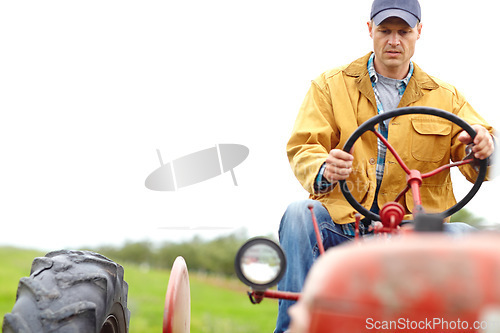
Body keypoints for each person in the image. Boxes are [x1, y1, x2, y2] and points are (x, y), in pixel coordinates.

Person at [275, 0, 495, 332]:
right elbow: (305, 147)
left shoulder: (446, 97)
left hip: (417, 232)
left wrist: (483, 149)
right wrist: (324, 169)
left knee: (468, 238)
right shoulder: (330, 86)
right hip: (346, 226)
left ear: (418, 33)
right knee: (298, 214)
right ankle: (295, 327)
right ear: (370, 30)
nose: (394, 41)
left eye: (403, 31)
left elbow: (480, 151)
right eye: (385, 31)